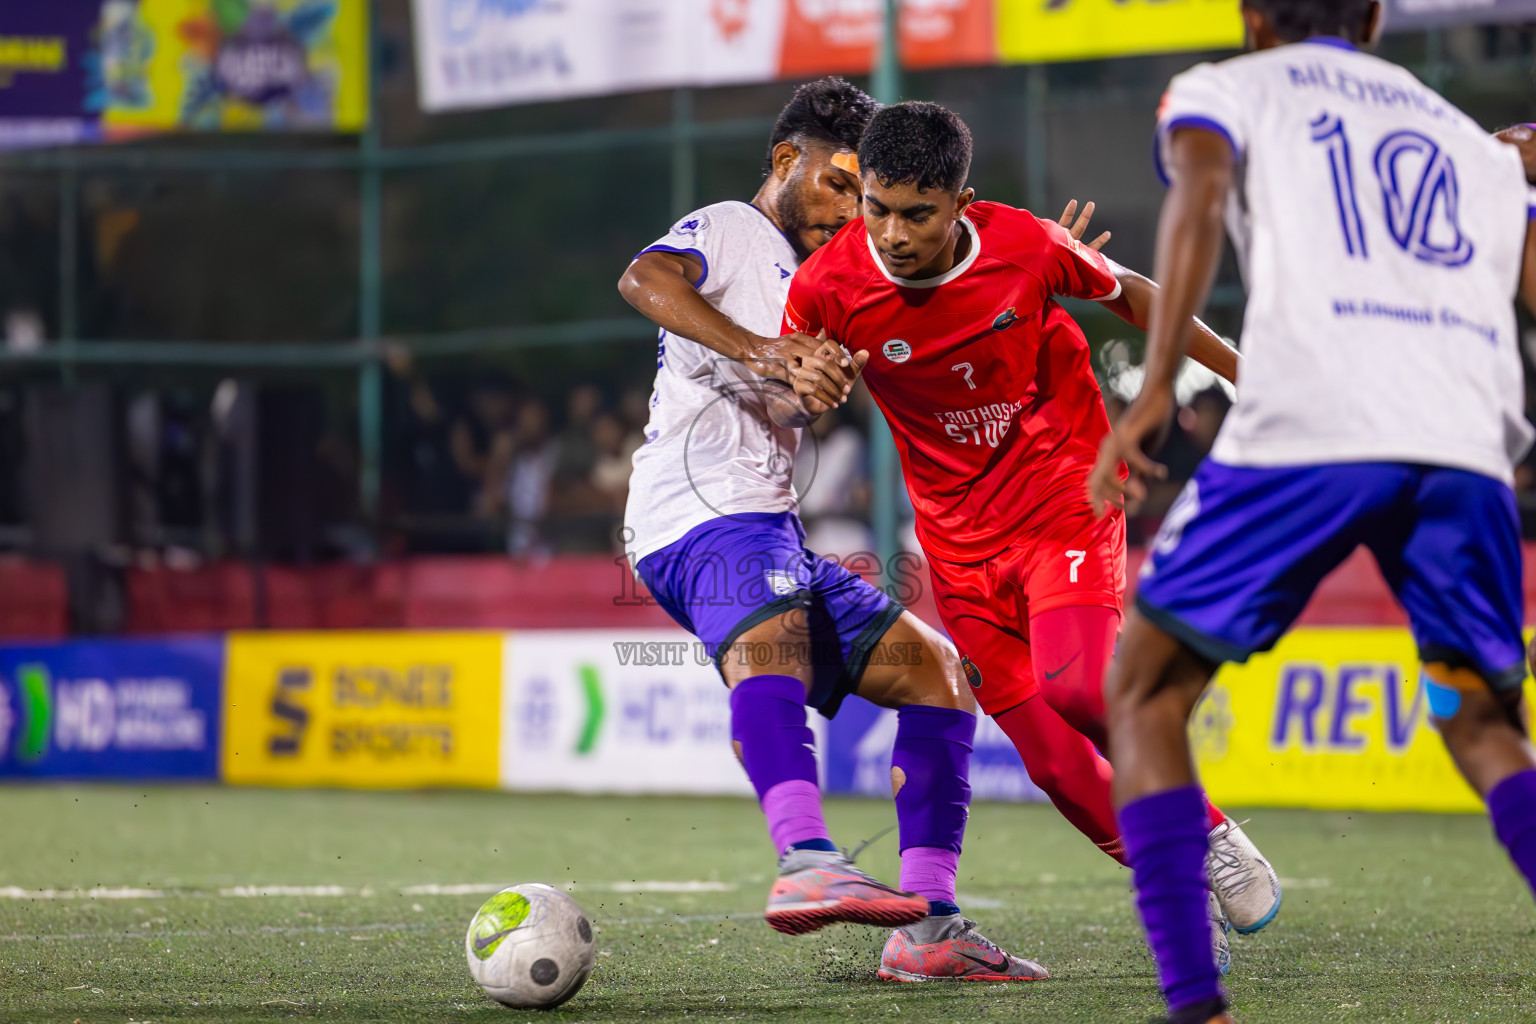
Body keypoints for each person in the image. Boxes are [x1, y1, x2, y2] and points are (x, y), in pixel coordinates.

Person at [1084, 3, 1536, 1022]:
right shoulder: (1462, 133)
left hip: (1313, 424)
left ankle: (1197, 1005)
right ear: (1375, 16)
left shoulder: (1226, 91)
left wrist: (1155, 387)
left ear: (1251, 16)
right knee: (1480, 722)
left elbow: (1199, 196)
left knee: (1146, 690)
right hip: (1464, 440)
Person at [784, 101, 1283, 975]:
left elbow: (1132, 292)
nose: (895, 234)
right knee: (1052, 762)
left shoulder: (1025, 245)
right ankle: (1171, 881)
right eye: (879, 209)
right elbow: (794, 372)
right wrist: (806, 382)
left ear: (962, 203)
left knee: (1082, 689)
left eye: (920, 213)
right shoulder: (825, 285)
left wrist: (1244, 370)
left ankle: (1208, 834)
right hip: (957, 545)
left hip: (1064, 498)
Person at [616, 77, 1047, 982]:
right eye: (839, 183)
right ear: (786, 162)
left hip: (765, 520)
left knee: (936, 674)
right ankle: (807, 858)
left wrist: (1044, 268)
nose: (854, 210)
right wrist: (771, 354)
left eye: (866, 195)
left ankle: (930, 929)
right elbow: (643, 277)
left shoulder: (833, 277)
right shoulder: (736, 225)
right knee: (771, 647)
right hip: (694, 512)